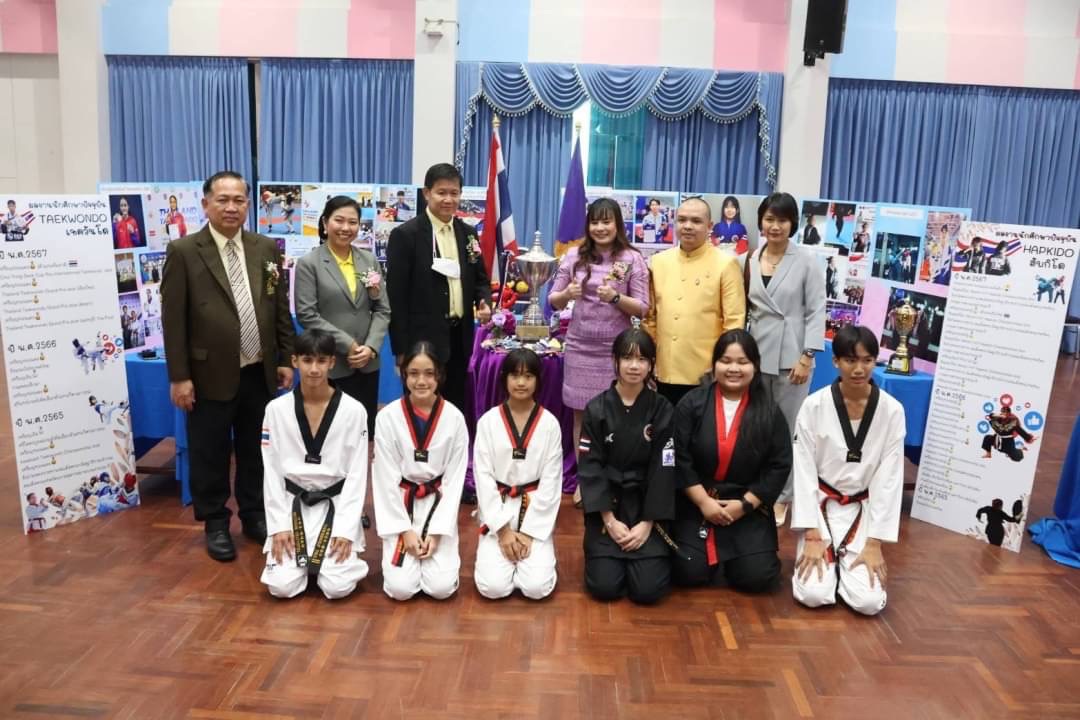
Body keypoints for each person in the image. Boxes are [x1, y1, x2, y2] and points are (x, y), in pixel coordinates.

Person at [161, 170, 295, 562]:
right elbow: (173, 320)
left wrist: (284, 358)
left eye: (239, 200)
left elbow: (278, 306)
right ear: (206, 204)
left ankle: (254, 514)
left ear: (248, 205)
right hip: (208, 374)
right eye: (223, 200)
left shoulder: (265, 247)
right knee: (210, 451)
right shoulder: (185, 251)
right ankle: (216, 522)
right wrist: (180, 377)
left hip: (258, 370)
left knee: (257, 449)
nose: (231, 207)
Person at [791, 325, 906, 616]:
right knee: (813, 595)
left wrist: (875, 542)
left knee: (868, 604)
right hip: (821, 508)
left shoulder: (892, 411)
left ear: (876, 361)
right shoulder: (813, 406)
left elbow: (890, 479)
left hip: (862, 510)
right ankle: (831, 570)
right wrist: (812, 534)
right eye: (850, 360)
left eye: (867, 360)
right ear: (835, 361)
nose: (859, 369)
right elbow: (803, 470)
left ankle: (844, 570)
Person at [669, 330, 792, 593]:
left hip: (745, 505)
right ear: (714, 364)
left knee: (758, 578)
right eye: (725, 361)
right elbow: (679, 457)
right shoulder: (692, 403)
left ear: (755, 366)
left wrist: (745, 504)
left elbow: (779, 464)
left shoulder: (769, 411)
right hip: (698, 502)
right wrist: (704, 502)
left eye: (742, 362)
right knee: (687, 570)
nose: (733, 368)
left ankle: (738, 558)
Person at [548, 198, 649, 498]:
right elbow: (553, 300)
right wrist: (567, 294)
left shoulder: (632, 258)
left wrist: (616, 298)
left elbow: (642, 308)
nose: (600, 228)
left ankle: (613, 479)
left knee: (615, 416)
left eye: (607, 221)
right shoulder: (574, 255)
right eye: (595, 222)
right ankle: (586, 480)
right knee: (581, 417)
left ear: (618, 224)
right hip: (580, 347)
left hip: (616, 352)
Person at [259, 329, 370, 600]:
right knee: (281, 587)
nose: (314, 369)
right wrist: (278, 526)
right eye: (307, 360)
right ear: (295, 361)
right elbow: (271, 471)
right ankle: (305, 563)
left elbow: (357, 474)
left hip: (335, 505)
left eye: (321, 361)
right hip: (291, 505)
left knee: (337, 588)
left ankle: (328, 564)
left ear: (332, 362)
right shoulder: (276, 410)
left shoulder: (354, 410)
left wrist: (346, 529)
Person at [745, 192, 825, 524]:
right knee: (755, 428)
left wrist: (807, 355)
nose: (775, 226)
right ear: (760, 221)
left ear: (793, 223)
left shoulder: (806, 260)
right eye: (769, 219)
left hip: (793, 356)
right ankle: (756, 489)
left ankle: (783, 496)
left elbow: (816, 310)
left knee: (787, 430)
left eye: (782, 220)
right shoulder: (749, 259)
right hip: (755, 356)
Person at [579, 328, 675, 604]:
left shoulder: (662, 408)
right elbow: (590, 466)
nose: (634, 366)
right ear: (615, 361)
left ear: (651, 364)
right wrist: (609, 520)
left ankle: (644, 548)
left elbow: (664, 467)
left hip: (647, 504)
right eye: (627, 358)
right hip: (609, 504)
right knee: (604, 588)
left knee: (648, 591)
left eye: (642, 359)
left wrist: (647, 522)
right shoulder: (596, 408)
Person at [386, 163, 492, 414]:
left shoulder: (468, 234)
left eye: (454, 193)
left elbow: (480, 280)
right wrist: (401, 349)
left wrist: (484, 301)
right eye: (441, 192)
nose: (448, 199)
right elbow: (396, 297)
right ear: (427, 193)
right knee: (421, 408)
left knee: (455, 408)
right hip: (421, 342)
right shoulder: (406, 235)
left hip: (460, 339)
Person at [373, 342, 467, 601]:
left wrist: (437, 533)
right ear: (404, 375)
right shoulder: (387, 418)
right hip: (401, 504)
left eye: (428, 373)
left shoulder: (455, 418)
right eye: (414, 373)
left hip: (438, 504)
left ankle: (436, 548)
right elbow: (384, 478)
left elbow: (455, 479)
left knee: (441, 588)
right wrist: (404, 530)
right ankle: (404, 548)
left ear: (439, 375)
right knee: (400, 589)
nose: (421, 381)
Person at [295, 195, 390, 443]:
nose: (346, 228)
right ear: (325, 223)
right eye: (339, 220)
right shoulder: (309, 263)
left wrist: (371, 347)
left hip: (367, 363)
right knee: (331, 434)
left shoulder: (368, 260)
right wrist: (348, 344)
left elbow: (382, 309)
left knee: (363, 432)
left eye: (353, 222)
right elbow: (307, 314)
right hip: (330, 362)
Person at [473, 349, 563, 600]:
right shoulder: (488, 422)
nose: (521, 382)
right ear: (504, 378)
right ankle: (502, 559)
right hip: (498, 509)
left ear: (538, 380)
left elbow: (551, 481)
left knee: (537, 588)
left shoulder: (549, 424)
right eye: (514, 375)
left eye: (528, 376)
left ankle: (533, 558)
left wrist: (529, 533)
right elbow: (483, 478)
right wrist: (503, 532)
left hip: (534, 510)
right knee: (492, 588)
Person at [643, 196, 745, 408]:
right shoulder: (659, 262)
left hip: (705, 372)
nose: (688, 226)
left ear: (709, 226)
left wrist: (722, 363)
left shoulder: (726, 263)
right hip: (663, 369)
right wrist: (648, 360)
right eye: (682, 220)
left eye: (696, 221)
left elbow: (734, 322)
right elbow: (650, 318)